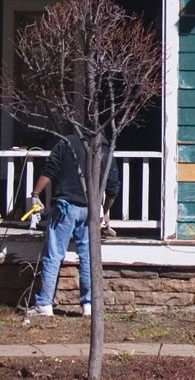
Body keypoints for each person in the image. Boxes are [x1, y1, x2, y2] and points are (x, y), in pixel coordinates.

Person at [27, 135, 119, 317]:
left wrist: (36, 194)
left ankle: (44, 304)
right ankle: (89, 305)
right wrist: (105, 211)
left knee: (53, 255)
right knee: (88, 256)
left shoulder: (66, 143)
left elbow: (49, 171)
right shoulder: (104, 150)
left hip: (64, 206)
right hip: (89, 210)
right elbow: (112, 187)